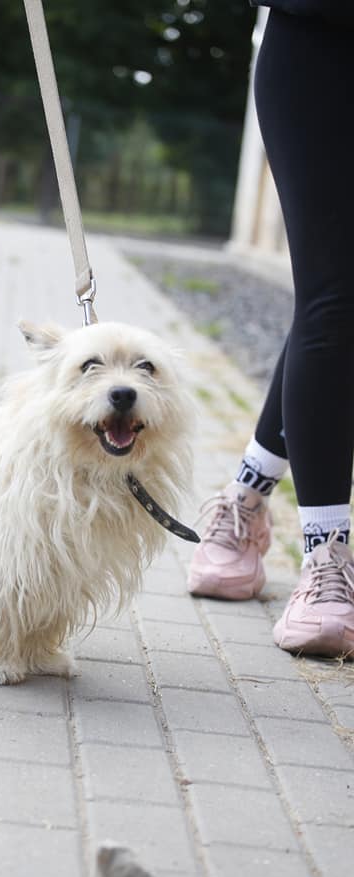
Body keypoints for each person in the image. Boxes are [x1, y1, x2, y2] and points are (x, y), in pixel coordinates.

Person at [188, 1, 354, 658]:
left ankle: (244, 500)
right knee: (333, 294)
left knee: (337, 298)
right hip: (317, 38)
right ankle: (325, 560)